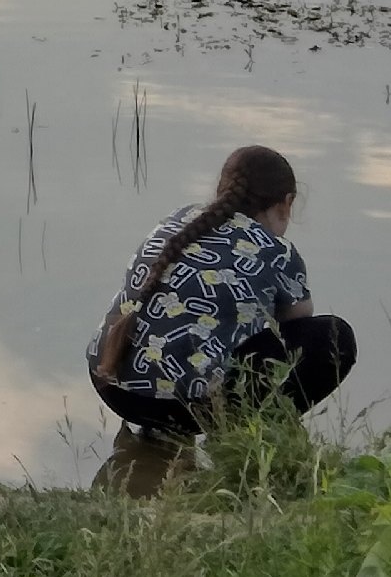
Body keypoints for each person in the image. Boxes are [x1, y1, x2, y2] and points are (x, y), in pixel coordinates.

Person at [88, 144, 354, 459]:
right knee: (335, 338)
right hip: (181, 405)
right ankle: (247, 434)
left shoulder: (178, 219)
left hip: (110, 380)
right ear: (287, 203)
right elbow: (298, 322)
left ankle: (155, 440)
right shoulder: (277, 251)